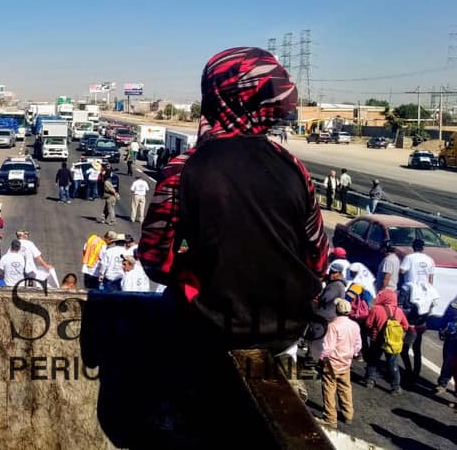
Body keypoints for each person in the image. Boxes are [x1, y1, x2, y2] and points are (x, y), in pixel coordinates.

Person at [139, 47, 329, 353]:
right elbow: (319, 260)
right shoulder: (295, 168)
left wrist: (197, 267)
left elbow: (154, 260)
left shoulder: (183, 168)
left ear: (217, 94)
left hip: (207, 329)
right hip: (285, 334)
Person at [399, 238, 438, 382]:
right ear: (423, 248)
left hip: (410, 292)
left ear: (413, 247)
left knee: (403, 326)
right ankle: (416, 372)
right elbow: (431, 278)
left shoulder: (409, 258)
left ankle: (408, 370)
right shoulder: (429, 260)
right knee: (418, 345)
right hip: (425, 293)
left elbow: (402, 271)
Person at [319, 298, 361, 427]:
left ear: (337, 310)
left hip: (332, 363)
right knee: (345, 388)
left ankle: (330, 418)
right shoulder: (354, 325)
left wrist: (320, 357)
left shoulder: (333, 326)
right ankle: (348, 414)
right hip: (346, 362)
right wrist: (352, 354)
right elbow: (358, 345)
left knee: (329, 389)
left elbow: (328, 347)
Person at [364, 288, 409, 394]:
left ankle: (369, 380)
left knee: (373, 360)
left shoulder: (376, 309)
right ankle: (395, 387)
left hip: (377, 339)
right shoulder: (398, 311)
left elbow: (368, 324)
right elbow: (406, 326)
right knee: (392, 363)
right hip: (392, 341)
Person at [436, 294, 457, 395]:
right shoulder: (455, 302)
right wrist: (441, 329)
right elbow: (447, 315)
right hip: (451, 338)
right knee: (447, 361)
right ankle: (442, 384)